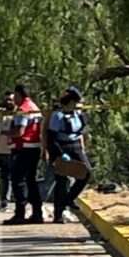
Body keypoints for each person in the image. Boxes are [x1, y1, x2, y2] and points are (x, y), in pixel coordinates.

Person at [47, 90, 91, 223]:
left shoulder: (78, 113)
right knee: (61, 181)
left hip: (76, 145)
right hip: (62, 146)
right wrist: (60, 153)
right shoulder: (57, 115)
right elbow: (51, 137)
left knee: (87, 172)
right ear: (71, 102)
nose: (78, 104)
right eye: (76, 102)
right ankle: (58, 214)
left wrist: (82, 113)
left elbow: (83, 128)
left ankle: (69, 199)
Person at [4, 84, 45, 225]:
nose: (14, 99)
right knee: (31, 181)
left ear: (19, 95)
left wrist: (8, 134)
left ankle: (20, 214)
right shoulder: (34, 107)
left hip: (23, 149)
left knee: (18, 181)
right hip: (34, 148)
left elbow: (20, 131)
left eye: (15, 96)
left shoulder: (23, 109)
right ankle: (37, 213)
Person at [0, 92, 17, 212]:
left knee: (16, 177)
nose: (8, 102)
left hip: (15, 149)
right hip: (3, 149)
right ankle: (4, 202)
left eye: (11, 100)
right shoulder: (1, 113)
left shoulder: (19, 113)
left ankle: (18, 202)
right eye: (6, 100)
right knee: (5, 177)